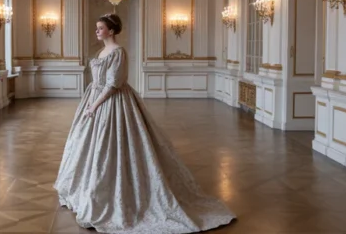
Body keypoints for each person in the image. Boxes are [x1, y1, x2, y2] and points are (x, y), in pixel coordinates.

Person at [54, 12, 236, 232]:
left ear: (111, 30)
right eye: (97, 27)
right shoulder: (101, 52)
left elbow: (113, 84)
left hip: (111, 103)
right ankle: (88, 189)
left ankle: (121, 192)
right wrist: (90, 103)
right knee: (86, 146)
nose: (97, 31)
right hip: (93, 100)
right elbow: (98, 82)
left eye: (100, 28)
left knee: (116, 146)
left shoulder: (118, 52)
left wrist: (94, 106)